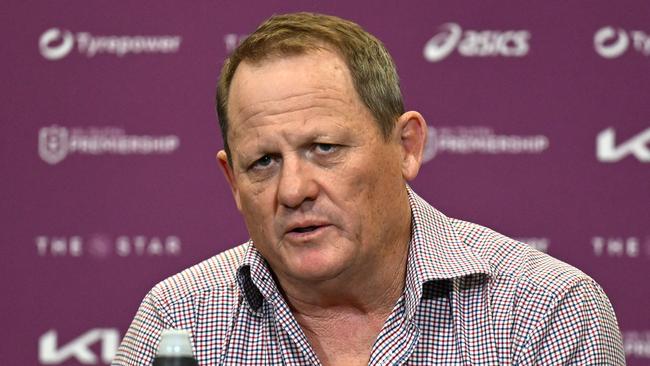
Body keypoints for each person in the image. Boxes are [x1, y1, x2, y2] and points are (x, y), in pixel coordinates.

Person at [113, 12, 625, 365]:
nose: (293, 190)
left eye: (324, 148)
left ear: (406, 146)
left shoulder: (546, 311)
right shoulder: (178, 319)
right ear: (233, 180)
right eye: (264, 161)